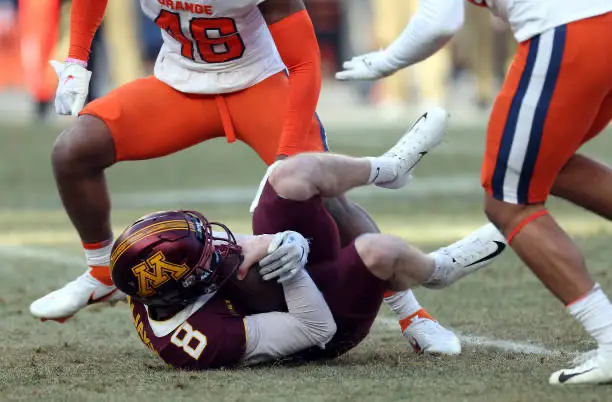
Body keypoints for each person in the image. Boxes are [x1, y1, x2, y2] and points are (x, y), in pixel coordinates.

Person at [29, 0, 463, 354]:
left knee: (326, 195)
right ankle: (102, 274)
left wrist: (291, 154)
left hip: (257, 83)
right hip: (179, 85)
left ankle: (412, 313)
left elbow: (306, 63)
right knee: (73, 151)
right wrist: (75, 61)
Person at [336, 0, 612, 385]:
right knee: (549, 164)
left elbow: (438, 21)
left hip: (568, 32)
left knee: (507, 203)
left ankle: (609, 339)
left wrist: (386, 62)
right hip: (594, 24)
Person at [110, 108, 507, 369]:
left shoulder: (148, 275)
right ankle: (435, 274)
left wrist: (277, 243)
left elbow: (219, 256)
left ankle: (391, 168)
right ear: (183, 293)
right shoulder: (206, 340)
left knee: (290, 175)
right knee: (378, 251)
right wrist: (286, 258)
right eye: (206, 260)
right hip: (321, 320)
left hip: (277, 275)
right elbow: (315, 330)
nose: (217, 247)